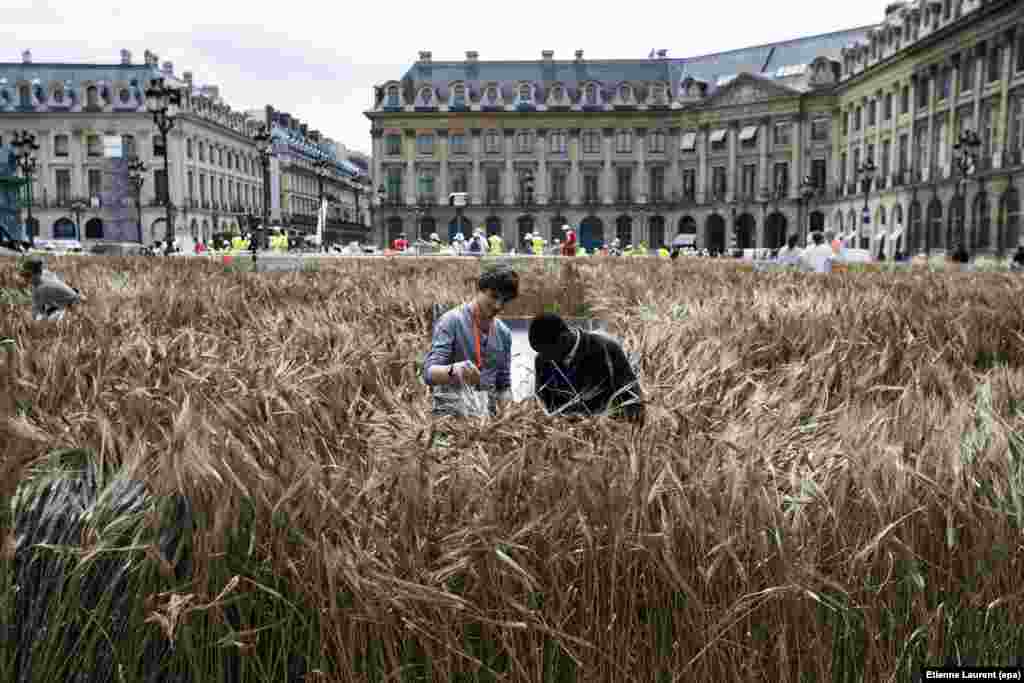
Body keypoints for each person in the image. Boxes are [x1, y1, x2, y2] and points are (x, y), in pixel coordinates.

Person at [422, 265, 519, 417]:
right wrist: (455, 370)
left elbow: (503, 385)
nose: (498, 306)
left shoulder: (504, 333)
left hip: (487, 421)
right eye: (493, 296)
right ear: (479, 289)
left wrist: (509, 415)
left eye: (504, 300)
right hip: (450, 417)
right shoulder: (451, 321)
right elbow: (429, 373)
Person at [529, 313, 644, 423]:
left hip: (604, 430)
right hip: (563, 434)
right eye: (540, 352)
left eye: (547, 352)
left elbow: (632, 396)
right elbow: (543, 404)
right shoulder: (541, 360)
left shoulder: (606, 347)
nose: (545, 358)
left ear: (564, 338)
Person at [18, 257, 85, 321]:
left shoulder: (43, 289)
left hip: (75, 304)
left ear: (37, 274)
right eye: (24, 276)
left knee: (44, 320)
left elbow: (39, 312)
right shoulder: (44, 274)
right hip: (74, 297)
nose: (25, 279)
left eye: (28, 275)